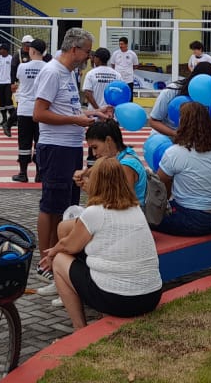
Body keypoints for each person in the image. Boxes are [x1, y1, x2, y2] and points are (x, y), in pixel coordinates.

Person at [42, 157, 162, 330]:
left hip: (120, 300)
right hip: (151, 296)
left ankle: (79, 328)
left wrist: (53, 252)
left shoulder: (95, 212)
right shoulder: (135, 209)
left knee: (61, 260)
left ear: (97, 182)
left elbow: (69, 246)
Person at [33, 28, 107, 290]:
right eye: (87, 51)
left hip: (71, 145)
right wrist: (76, 120)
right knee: (51, 205)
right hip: (56, 147)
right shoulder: (52, 71)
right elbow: (39, 113)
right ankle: (45, 261)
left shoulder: (68, 72)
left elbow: (66, 108)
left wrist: (94, 112)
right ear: (74, 49)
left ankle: (58, 256)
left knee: (66, 204)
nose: (89, 56)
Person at [151, 103, 211, 237]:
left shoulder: (175, 152)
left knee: (146, 218)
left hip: (192, 219)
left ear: (183, 123)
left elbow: (158, 185)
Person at [75, 119, 147, 204]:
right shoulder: (121, 155)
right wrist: (85, 174)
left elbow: (123, 203)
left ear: (108, 140)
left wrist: (93, 190)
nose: (94, 153)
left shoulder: (125, 166)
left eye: (95, 147)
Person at [147, 61, 211, 138]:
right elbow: (153, 121)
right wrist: (174, 133)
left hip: (189, 142)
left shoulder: (209, 96)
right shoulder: (171, 91)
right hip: (164, 139)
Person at [12, 38, 47, 183]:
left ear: (32, 51)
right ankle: (40, 174)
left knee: (24, 142)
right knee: (40, 142)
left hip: (24, 109)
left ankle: (23, 173)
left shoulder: (22, 67)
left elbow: (20, 81)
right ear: (44, 52)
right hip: (42, 110)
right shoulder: (48, 67)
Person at [0, 43, 16, 137]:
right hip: (0, 82)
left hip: (8, 82)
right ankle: (4, 119)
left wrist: (14, 82)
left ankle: (13, 118)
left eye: (1, 49)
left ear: (5, 50)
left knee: (8, 101)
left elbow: (14, 71)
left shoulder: (11, 58)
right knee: (1, 102)